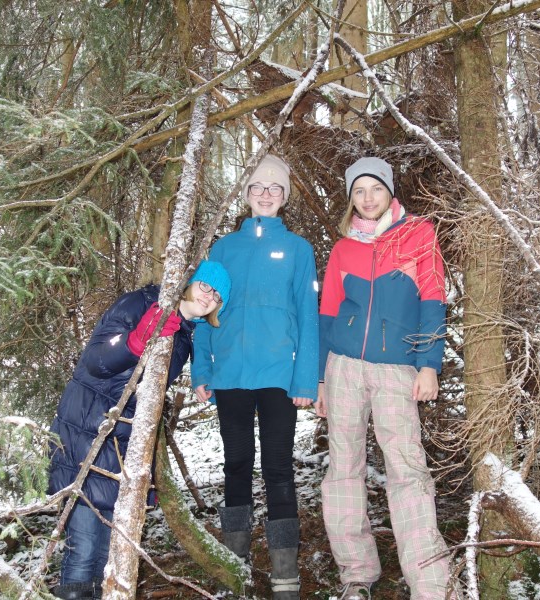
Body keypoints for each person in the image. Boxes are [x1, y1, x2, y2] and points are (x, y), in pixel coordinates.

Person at [47, 261, 231, 600]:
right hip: (87, 435)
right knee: (83, 550)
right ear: (189, 281)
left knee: (109, 557)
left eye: (218, 296)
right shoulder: (139, 303)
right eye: (207, 286)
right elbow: (96, 361)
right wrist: (136, 341)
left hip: (122, 447)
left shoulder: (185, 338)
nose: (210, 297)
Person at [316, 157, 451, 600]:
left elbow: (433, 299)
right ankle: (356, 575)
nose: (368, 198)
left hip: (397, 368)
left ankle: (430, 583)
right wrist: (319, 378)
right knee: (343, 469)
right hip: (343, 368)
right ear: (351, 198)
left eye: (376, 188)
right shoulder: (342, 249)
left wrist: (429, 362)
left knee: (407, 469)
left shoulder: (418, 235)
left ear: (390, 192)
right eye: (359, 191)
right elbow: (328, 313)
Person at [191, 154, 319, 600]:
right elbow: (204, 310)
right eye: (258, 187)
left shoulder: (300, 250)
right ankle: (236, 566)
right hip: (230, 376)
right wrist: (202, 370)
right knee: (237, 463)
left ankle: (285, 573)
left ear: (284, 197)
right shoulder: (224, 249)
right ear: (246, 194)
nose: (266, 194)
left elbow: (308, 314)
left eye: (275, 189)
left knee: (279, 467)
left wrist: (306, 380)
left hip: (280, 376)